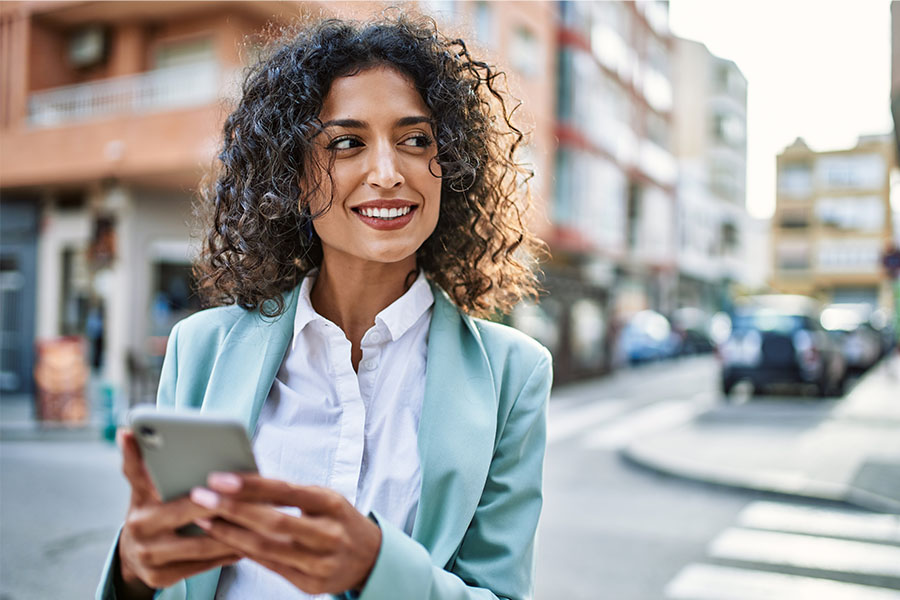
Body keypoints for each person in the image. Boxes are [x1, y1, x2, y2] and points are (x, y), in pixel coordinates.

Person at [97, 11, 552, 600]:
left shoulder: (513, 375)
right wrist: (134, 571)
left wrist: (376, 569)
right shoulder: (202, 348)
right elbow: (170, 570)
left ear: (453, 164)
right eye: (346, 143)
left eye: (417, 140)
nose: (388, 173)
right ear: (294, 171)